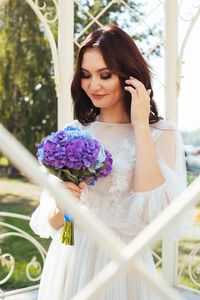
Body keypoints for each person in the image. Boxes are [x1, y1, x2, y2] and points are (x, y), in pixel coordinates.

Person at [30, 24, 187, 299]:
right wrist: (62, 204)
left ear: (128, 75)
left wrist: (140, 125)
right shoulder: (75, 132)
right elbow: (51, 222)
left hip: (125, 268)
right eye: (86, 75)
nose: (93, 85)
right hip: (69, 260)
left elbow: (152, 218)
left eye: (105, 75)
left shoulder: (163, 133)